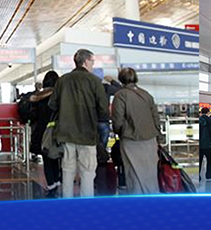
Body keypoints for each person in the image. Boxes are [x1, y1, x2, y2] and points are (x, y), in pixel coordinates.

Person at [50, 49, 110, 197]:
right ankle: (86, 203)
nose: (93, 65)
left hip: (66, 133)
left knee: (67, 170)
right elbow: (103, 108)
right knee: (87, 171)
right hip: (87, 133)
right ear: (86, 61)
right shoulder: (94, 81)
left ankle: (67, 201)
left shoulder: (62, 80)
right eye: (92, 62)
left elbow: (52, 104)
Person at [110, 68, 164, 194]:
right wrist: (158, 136)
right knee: (150, 173)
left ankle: (138, 200)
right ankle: (153, 198)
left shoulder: (120, 95)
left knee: (133, 173)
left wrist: (120, 131)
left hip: (131, 140)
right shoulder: (146, 94)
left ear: (121, 79)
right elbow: (155, 117)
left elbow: (117, 119)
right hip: (150, 139)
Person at [29, 70, 61, 196]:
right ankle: (57, 180)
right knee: (56, 155)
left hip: (43, 130)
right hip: (56, 129)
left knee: (47, 157)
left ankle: (51, 184)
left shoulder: (38, 97)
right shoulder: (58, 95)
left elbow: (33, 115)